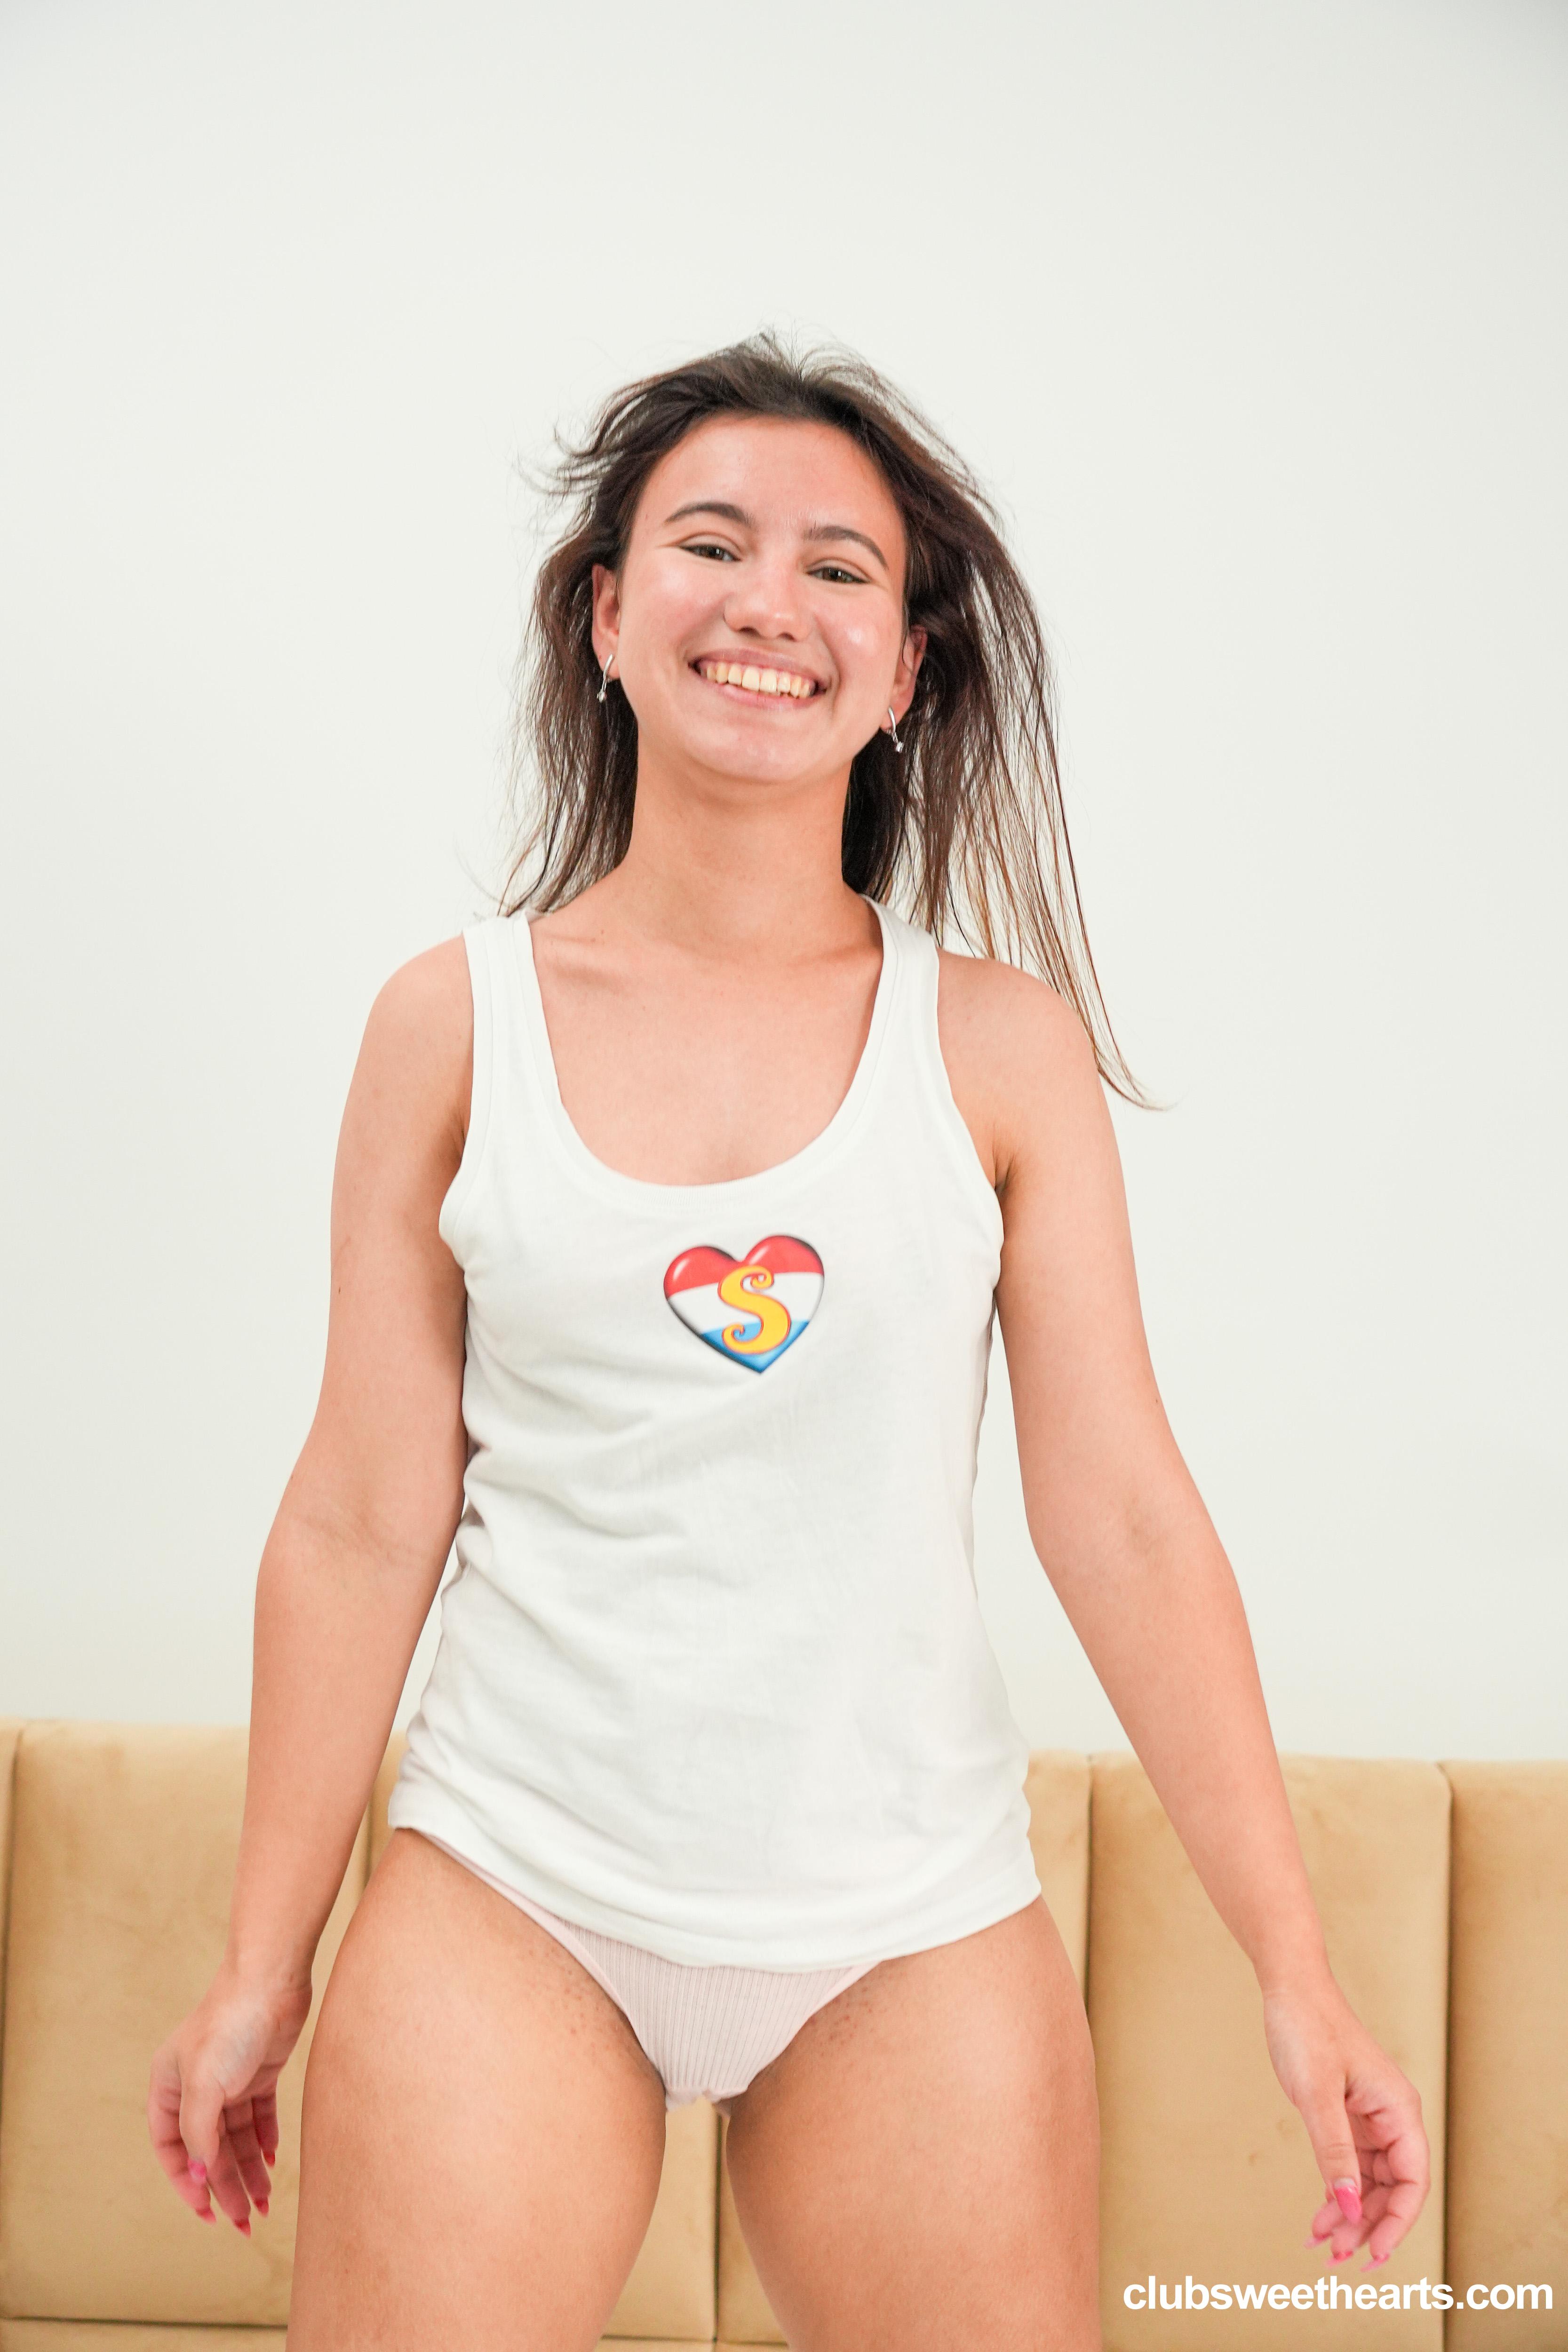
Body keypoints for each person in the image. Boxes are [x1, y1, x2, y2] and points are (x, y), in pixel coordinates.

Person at [147, 334, 1429, 2349]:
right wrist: (260, 1956)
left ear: (904, 668)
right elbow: (361, 1517)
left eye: (841, 568)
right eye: (711, 543)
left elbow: (1124, 1520)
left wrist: (1299, 1966)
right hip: (515, 1881)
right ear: (607, 616)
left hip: (905, 1919)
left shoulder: (1000, 1051)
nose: (769, 601)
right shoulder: (450, 1026)